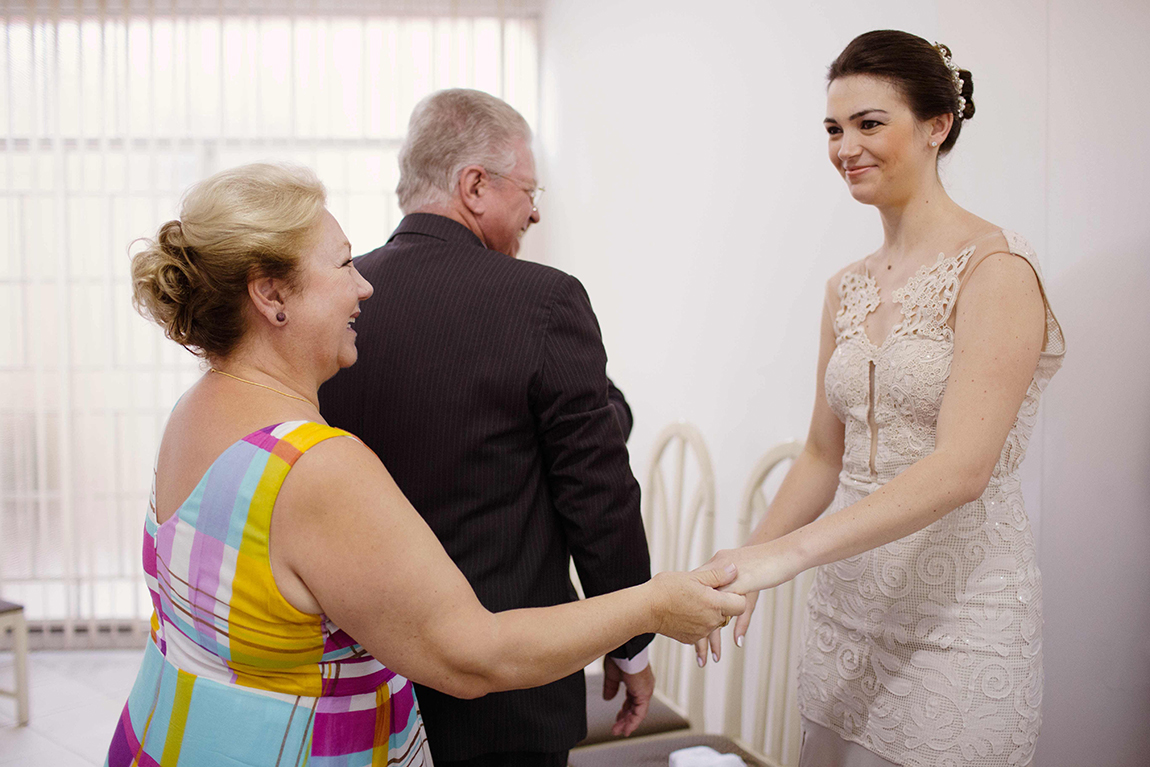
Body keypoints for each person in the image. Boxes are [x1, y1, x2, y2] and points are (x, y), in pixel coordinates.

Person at [105, 162, 745, 767]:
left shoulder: (194, 411)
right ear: (273, 296)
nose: (365, 285)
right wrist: (653, 605)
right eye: (344, 263)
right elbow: (472, 658)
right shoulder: (320, 467)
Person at [697, 30, 1064, 767]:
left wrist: (789, 556)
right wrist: (746, 561)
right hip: (846, 610)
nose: (845, 147)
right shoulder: (847, 286)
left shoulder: (997, 270)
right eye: (833, 128)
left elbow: (964, 467)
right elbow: (819, 454)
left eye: (869, 123)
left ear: (938, 125)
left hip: (958, 622)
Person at [318, 89, 654, 767]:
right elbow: (598, 494)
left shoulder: (336, 304)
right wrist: (631, 642)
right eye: (527, 189)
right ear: (474, 185)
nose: (536, 209)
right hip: (507, 691)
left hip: (366, 678)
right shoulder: (544, 299)